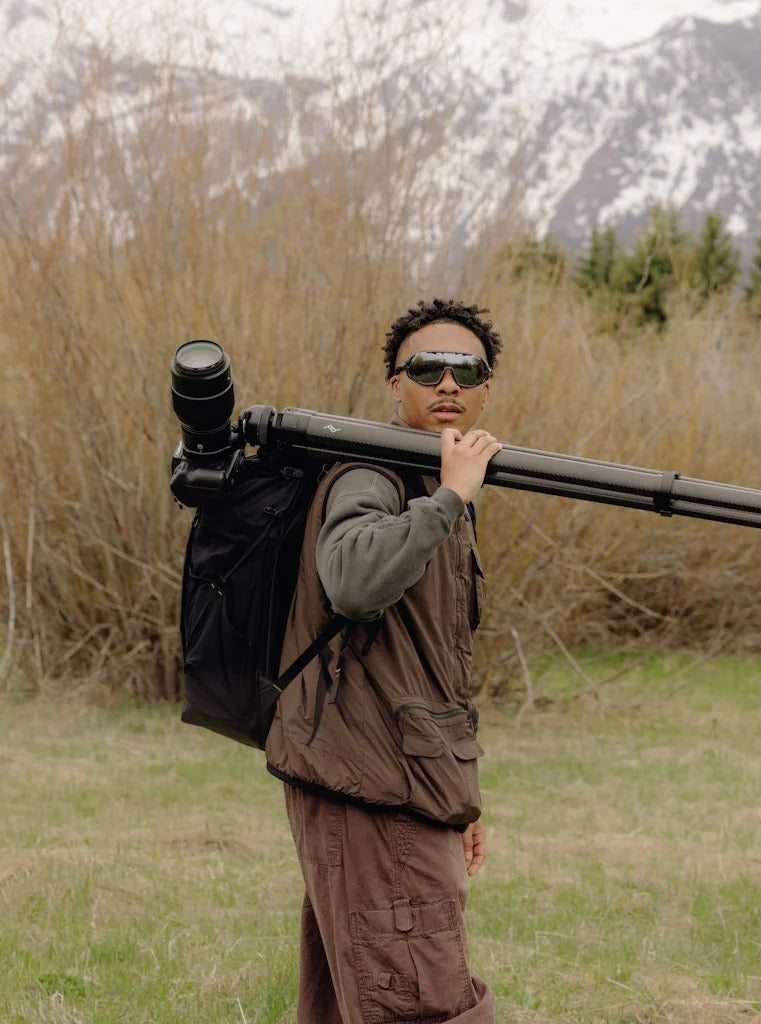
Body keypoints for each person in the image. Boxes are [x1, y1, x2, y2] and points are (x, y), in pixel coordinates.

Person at [264, 298, 503, 1024]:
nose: (449, 384)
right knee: (422, 1005)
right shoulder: (373, 474)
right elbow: (353, 581)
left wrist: (460, 800)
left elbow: (431, 670)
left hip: (396, 783)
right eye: (427, 368)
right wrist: (451, 498)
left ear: (486, 390)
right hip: (371, 788)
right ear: (396, 385)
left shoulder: (431, 484)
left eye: (467, 371)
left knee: (357, 1002)